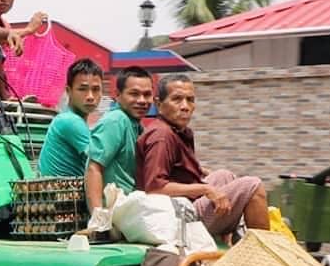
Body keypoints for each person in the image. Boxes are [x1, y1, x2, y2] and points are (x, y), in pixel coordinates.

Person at [136, 73, 269, 238]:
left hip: (185, 204)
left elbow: (178, 169)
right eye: (177, 99)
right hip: (174, 217)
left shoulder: (180, 131)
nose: (185, 106)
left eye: (190, 100)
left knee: (223, 175)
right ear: (159, 103)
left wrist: (202, 172)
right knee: (253, 185)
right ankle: (263, 251)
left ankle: (232, 236)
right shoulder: (162, 135)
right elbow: (155, 188)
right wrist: (206, 189)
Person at [85, 66, 154, 208]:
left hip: (131, 207)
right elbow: (93, 168)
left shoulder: (137, 125)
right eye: (134, 94)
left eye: (147, 94)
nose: (142, 100)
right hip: (114, 212)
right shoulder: (115, 121)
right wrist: (98, 217)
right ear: (118, 95)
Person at [38, 59, 104, 178]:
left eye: (95, 89)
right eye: (82, 89)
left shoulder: (73, 119)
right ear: (69, 91)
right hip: (60, 195)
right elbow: (101, 160)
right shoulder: (70, 121)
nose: (90, 96)